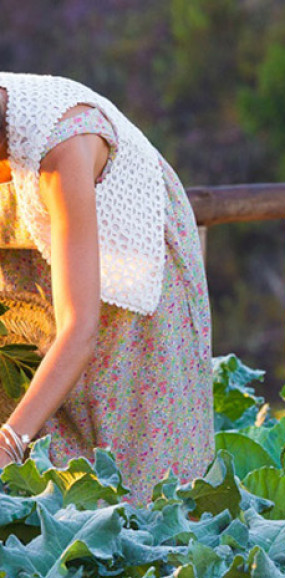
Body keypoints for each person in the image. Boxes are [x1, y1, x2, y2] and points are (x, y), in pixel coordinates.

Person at [0, 72, 214, 506]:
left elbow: (80, 331)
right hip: (31, 288)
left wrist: (8, 443)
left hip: (133, 285)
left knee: (133, 488)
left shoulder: (61, 145)